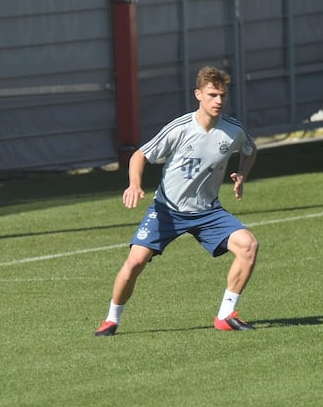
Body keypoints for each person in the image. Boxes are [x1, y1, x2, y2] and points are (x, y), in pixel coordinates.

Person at [95, 66, 259, 336]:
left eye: (223, 95)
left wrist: (242, 174)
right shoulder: (180, 128)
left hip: (208, 212)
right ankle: (112, 319)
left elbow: (250, 150)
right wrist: (134, 184)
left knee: (248, 245)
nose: (218, 100)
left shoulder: (233, 130)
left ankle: (226, 315)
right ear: (198, 95)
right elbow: (140, 155)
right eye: (212, 94)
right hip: (167, 211)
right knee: (135, 262)